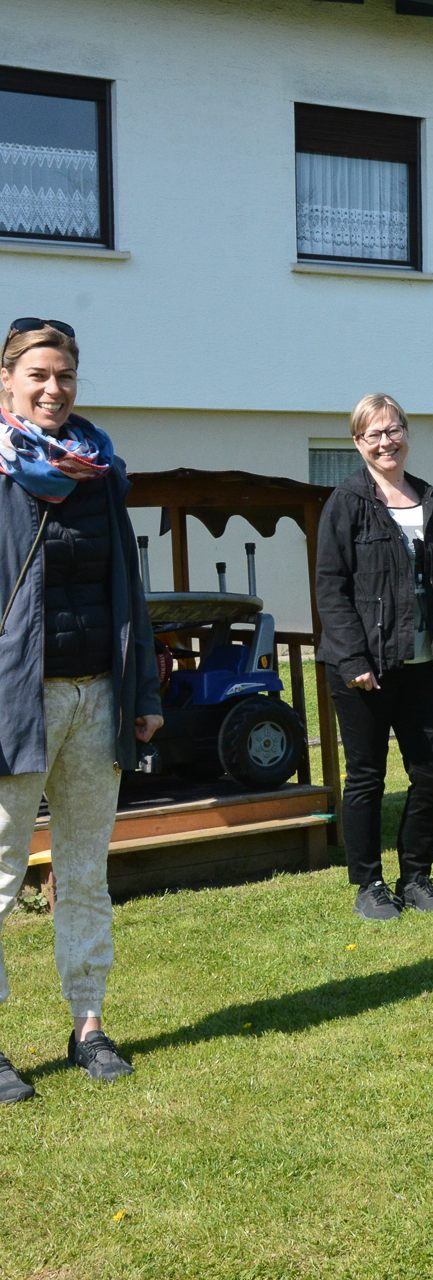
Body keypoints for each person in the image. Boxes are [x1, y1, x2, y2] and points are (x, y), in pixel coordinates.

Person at [0, 317, 163, 1102]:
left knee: (85, 874)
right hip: (13, 706)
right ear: (7, 382)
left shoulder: (100, 475)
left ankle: (88, 1024)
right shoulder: (1, 473)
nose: (52, 389)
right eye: (37, 374)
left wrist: (144, 696)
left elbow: (129, 594)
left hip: (96, 699)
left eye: (63, 375)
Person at [316, 394, 433, 920]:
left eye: (393, 430)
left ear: (407, 433)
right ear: (358, 443)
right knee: (367, 778)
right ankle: (368, 885)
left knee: (432, 774)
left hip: (422, 662)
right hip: (366, 668)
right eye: (373, 434)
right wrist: (352, 657)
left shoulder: (432, 499)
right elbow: (331, 588)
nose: (386, 442)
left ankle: (417, 878)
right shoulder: (346, 502)